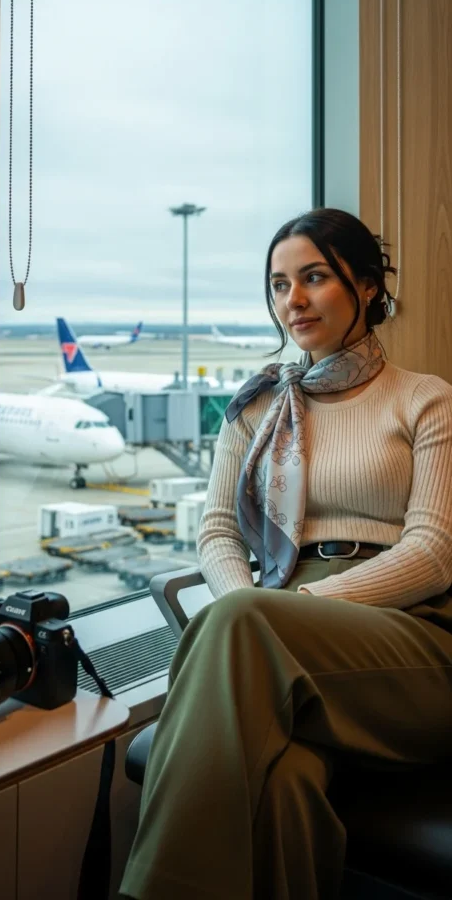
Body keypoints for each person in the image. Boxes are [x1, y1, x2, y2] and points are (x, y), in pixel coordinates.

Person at [120, 208, 452, 900]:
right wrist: (264, 610)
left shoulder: (427, 401)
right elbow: (217, 533)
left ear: (366, 286)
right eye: (278, 284)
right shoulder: (256, 406)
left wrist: (292, 608)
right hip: (278, 626)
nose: (292, 300)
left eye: (314, 278)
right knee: (283, 782)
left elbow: (432, 553)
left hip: (410, 637)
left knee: (241, 620)